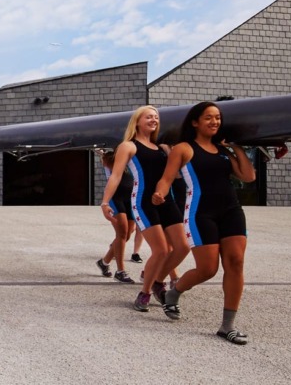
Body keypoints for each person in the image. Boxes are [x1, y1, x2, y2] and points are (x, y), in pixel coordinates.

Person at [153, 100, 256, 345]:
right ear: (195, 121)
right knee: (208, 269)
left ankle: (227, 326)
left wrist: (235, 148)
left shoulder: (224, 151)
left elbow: (248, 176)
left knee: (236, 262)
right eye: (209, 117)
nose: (215, 121)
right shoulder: (184, 148)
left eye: (218, 118)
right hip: (201, 212)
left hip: (231, 210)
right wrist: (160, 193)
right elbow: (166, 178)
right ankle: (172, 293)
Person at [100, 105, 188, 312]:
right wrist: (105, 203)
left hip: (167, 200)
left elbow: (176, 175)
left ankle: (158, 281)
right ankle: (145, 292)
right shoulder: (129, 146)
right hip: (143, 202)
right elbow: (116, 175)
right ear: (137, 121)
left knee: (182, 247)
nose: (153, 120)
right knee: (161, 250)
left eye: (156, 117)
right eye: (149, 116)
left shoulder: (163, 148)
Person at [96, 150, 136, 283]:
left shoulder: (131, 157)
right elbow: (106, 158)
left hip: (131, 198)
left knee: (127, 234)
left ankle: (104, 262)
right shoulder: (109, 160)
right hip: (116, 198)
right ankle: (120, 271)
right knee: (122, 234)